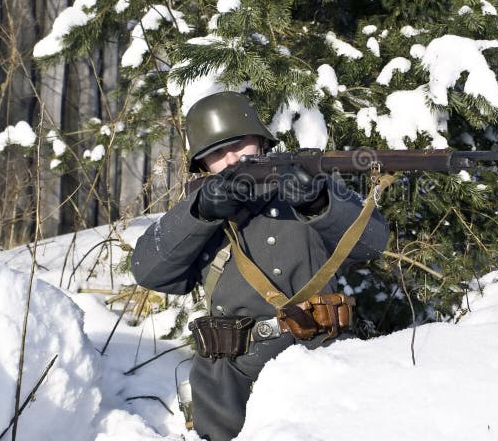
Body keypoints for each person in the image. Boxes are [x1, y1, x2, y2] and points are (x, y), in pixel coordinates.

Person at [130, 91, 389, 441]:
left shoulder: (313, 183)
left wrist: (319, 202)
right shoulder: (197, 208)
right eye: (216, 154)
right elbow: (148, 270)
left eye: (238, 144)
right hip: (228, 381)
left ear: (261, 141)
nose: (232, 159)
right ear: (204, 166)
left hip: (319, 365)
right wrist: (201, 213)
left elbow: (374, 243)